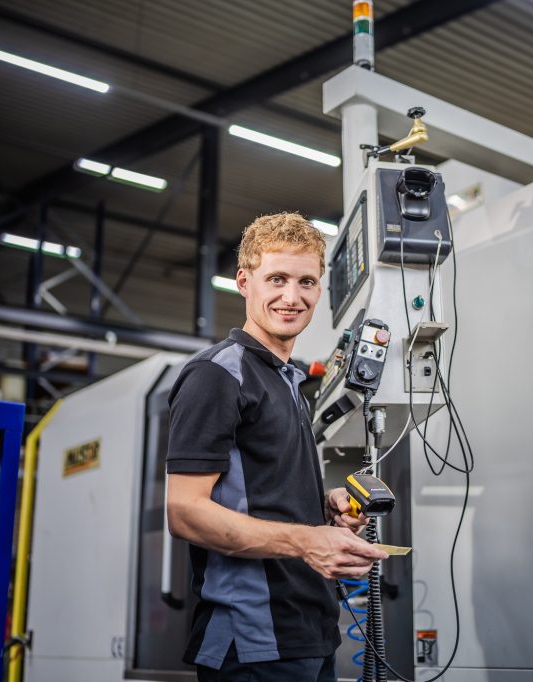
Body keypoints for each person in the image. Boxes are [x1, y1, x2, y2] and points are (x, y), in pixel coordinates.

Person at [166, 212, 387, 682]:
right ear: (245, 282)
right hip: (253, 642)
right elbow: (184, 511)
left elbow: (259, 493)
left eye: (306, 281)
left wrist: (323, 513)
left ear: (320, 290)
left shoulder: (287, 380)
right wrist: (308, 541)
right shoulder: (217, 375)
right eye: (277, 279)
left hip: (308, 631)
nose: (292, 296)